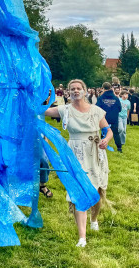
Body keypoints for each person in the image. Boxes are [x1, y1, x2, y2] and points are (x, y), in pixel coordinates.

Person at [44, 79, 112, 248]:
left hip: (95, 152)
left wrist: (106, 140)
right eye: (72, 89)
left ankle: (94, 219)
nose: (75, 91)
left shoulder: (96, 111)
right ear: (68, 92)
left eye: (78, 88)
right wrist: (29, 96)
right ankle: (82, 237)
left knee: (96, 190)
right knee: (78, 191)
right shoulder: (65, 110)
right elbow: (42, 111)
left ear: (85, 90)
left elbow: (108, 130)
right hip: (74, 153)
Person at [97, 82, 123, 153]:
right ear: (110, 88)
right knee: (115, 133)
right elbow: (120, 109)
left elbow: (97, 108)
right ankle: (119, 148)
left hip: (104, 118)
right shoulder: (115, 98)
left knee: (103, 132)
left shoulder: (101, 98)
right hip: (114, 118)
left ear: (103, 88)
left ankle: (102, 146)